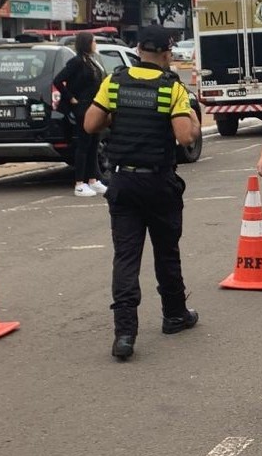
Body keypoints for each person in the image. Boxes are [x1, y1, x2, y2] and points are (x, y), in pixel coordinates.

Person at [83, 25, 200, 362]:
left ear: (137, 51)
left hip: (122, 182)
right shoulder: (171, 87)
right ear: (166, 54)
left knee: (126, 257)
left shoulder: (114, 82)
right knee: (166, 251)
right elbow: (185, 138)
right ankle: (175, 315)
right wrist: (191, 116)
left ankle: (124, 333)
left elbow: (91, 124)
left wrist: (117, 119)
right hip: (158, 182)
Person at [53, 32, 108, 197]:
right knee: (83, 144)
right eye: (94, 41)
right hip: (82, 107)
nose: (95, 44)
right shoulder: (76, 62)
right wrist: (71, 98)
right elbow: (58, 80)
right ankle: (79, 183)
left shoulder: (91, 60)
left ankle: (93, 179)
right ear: (86, 43)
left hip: (94, 106)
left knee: (93, 143)